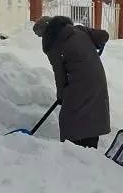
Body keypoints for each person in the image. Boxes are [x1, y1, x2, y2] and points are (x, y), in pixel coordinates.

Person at [33, 15, 110, 148]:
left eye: (40, 36)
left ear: (46, 32)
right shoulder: (78, 30)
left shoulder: (53, 46)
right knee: (92, 112)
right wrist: (96, 44)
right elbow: (103, 35)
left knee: (69, 117)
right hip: (97, 79)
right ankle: (90, 148)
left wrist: (61, 96)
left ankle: (73, 150)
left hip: (81, 82)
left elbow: (60, 76)